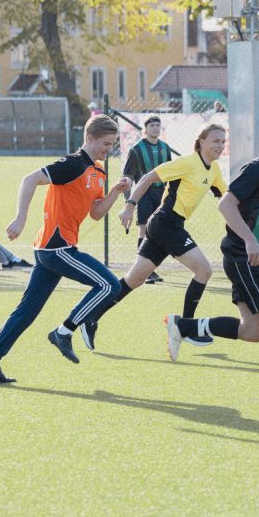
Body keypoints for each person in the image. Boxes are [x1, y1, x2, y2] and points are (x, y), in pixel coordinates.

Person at [165, 112, 259, 408]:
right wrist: (249, 240)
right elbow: (225, 204)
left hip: (250, 259)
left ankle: (184, 327)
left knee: (253, 331)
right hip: (244, 258)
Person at [0, 114, 131, 383]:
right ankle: (64, 331)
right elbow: (29, 179)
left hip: (55, 249)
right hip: (56, 248)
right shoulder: (72, 164)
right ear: (89, 138)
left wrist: (115, 191)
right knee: (109, 286)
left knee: (27, 311)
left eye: (112, 144)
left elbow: (95, 212)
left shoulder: (99, 171)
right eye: (105, 144)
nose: (109, 149)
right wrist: (21, 217)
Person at [79, 123, 228, 352]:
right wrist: (130, 206)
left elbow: (225, 198)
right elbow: (148, 177)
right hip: (166, 223)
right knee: (204, 270)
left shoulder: (214, 170)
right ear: (201, 142)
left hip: (168, 225)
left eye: (223, 141)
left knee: (134, 280)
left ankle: (90, 317)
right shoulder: (187, 163)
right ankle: (185, 327)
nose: (220, 145)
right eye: (216, 140)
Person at [122, 115, 173, 284]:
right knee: (143, 229)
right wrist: (128, 200)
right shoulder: (137, 149)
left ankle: (151, 269)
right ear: (145, 129)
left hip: (161, 194)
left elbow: (170, 172)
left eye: (158, 125)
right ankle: (142, 271)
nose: (155, 128)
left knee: (157, 229)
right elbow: (128, 174)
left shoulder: (165, 148)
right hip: (144, 193)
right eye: (152, 125)